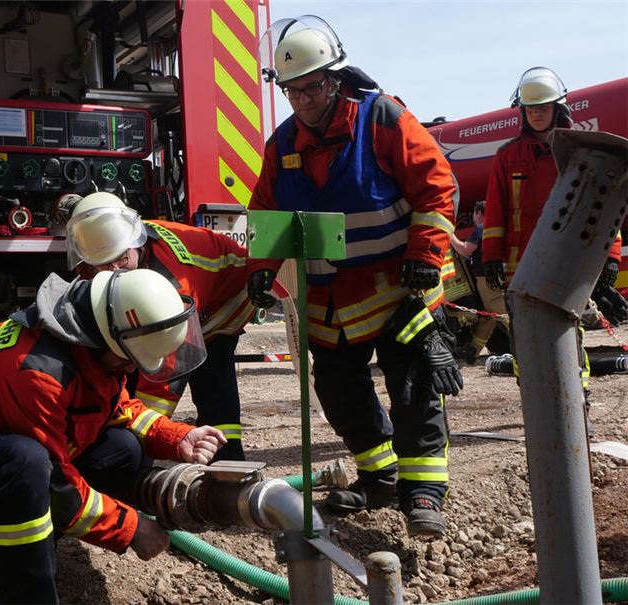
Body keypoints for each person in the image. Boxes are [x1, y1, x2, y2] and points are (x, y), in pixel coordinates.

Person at [0, 269, 227, 604]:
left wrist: (177, 436)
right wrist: (131, 527)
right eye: (130, 361)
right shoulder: (37, 370)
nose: (132, 370)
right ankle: (25, 592)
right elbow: (57, 483)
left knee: (123, 449)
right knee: (25, 465)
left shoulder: (92, 343)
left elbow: (118, 409)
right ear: (112, 338)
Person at [247, 15, 462, 536]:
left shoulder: (383, 119)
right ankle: (380, 477)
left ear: (337, 78)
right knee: (339, 392)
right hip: (331, 303)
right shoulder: (282, 146)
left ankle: (424, 495)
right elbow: (267, 216)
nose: (303, 100)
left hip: (398, 291)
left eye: (312, 87)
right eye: (292, 91)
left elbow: (438, 190)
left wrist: (425, 254)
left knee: (411, 388)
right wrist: (260, 269)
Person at [64, 192, 255, 461]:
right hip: (205, 288)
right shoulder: (103, 240)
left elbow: (164, 373)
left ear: (136, 246)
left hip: (228, 299)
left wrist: (144, 432)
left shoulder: (171, 284)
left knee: (211, 375)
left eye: (120, 261)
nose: (113, 271)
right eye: (102, 266)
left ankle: (229, 460)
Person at [482, 66, 626, 325]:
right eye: (531, 109)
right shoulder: (507, 156)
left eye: (543, 108)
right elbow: (495, 211)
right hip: (521, 266)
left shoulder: (581, 151)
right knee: (525, 336)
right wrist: (491, 257)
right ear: (523, 111)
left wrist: (612, 256)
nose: (536, 114)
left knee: (568, 331)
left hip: (566, 257)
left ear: (558, 108)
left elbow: (604, 205)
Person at [449, 201, 507, 362]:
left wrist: (450, 236)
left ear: (479, 214)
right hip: (497, 275)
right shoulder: (498, 228)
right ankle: (472, 351)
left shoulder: (481, 228)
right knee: (488, 318)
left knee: (502, 314)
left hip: (485, 281)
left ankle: (525, 344)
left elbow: (465, 249)